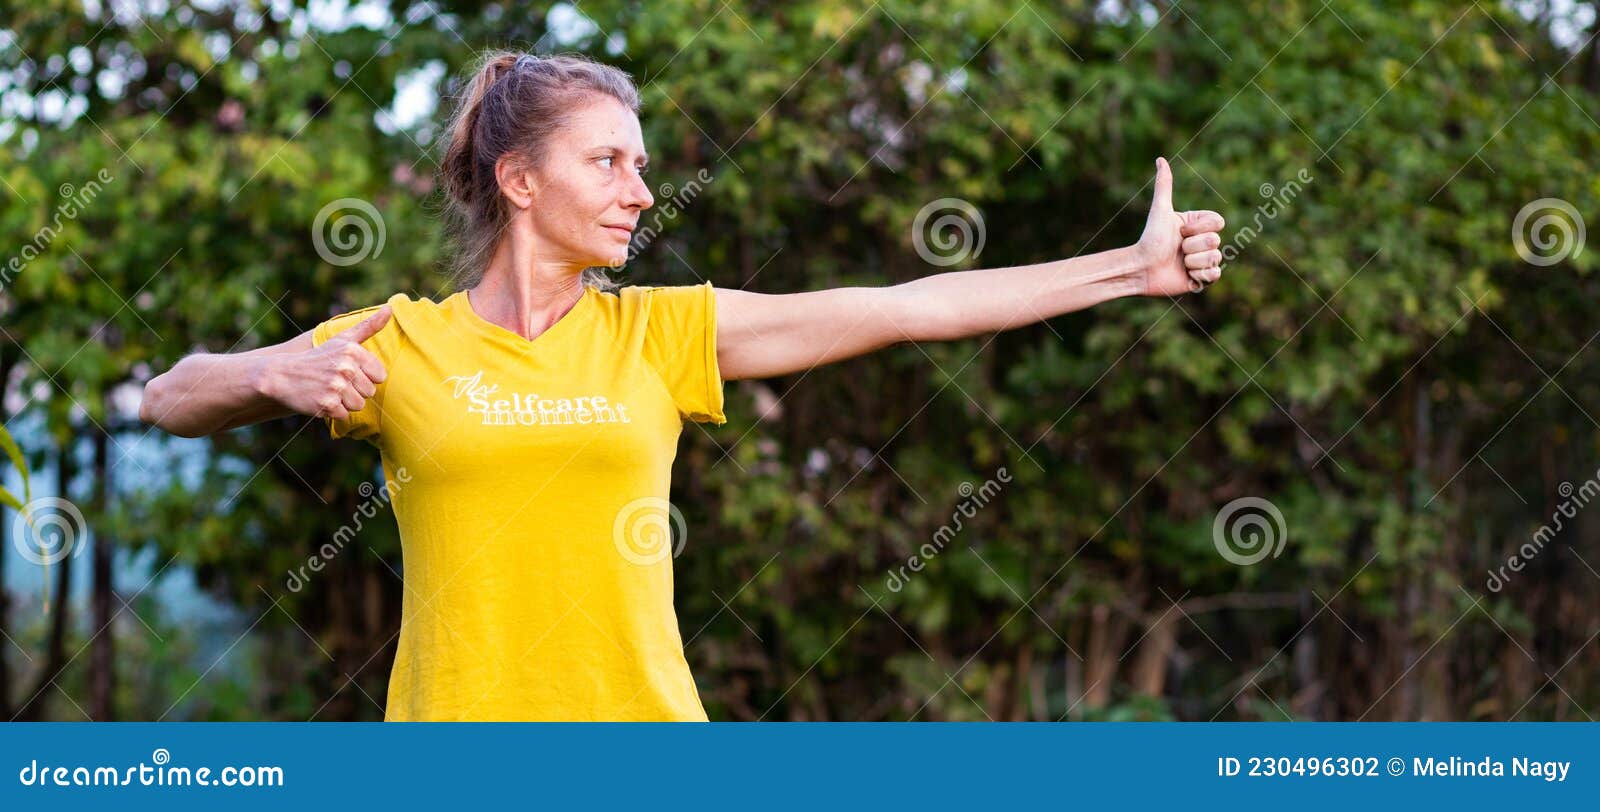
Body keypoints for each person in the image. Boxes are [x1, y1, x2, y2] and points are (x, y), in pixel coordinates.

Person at [137, 50, 1226, 721]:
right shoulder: (401, 343)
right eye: (608, 162)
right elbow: (165, 399)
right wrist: (266, 372)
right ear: (519, 180)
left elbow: (905, 304)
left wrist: (1129, 271)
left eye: (643, 164)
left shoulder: (660, 331)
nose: (639, 191)